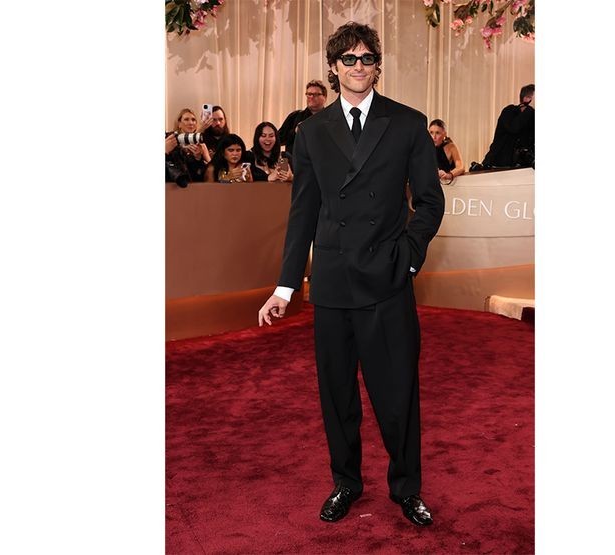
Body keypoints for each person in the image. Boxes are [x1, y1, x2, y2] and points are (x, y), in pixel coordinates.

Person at [257, 22, 444, 527]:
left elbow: (429, 202)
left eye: (367, 58)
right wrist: (286, 285)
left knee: (397, 392)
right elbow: (304, 212)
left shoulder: (407, 123)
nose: (358, 67)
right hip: (335, 285)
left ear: (378, 65)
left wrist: (407, 255)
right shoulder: (312, 132)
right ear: (334, 67)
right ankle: (346, 483)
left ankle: (407, 488)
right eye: (349, 59)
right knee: (337, 394)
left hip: (387, 279)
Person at [480, 84, 535, 169]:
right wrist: (529, 110)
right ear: (526, 98)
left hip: (522, 166)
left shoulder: (532, 117)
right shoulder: (509, 111)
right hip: (498, 165)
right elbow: (513, 128)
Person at [277, 80, 328, 153]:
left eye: (316, 94)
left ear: (325, 97)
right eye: (309, 94)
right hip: (296, 162)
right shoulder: (294, 117)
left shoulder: (332, 118)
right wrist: (295, 132)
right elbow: (278, 140)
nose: (311, 97)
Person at [173, 108, 212, 182]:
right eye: (186, 119)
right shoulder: (173, 141)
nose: (191, 123)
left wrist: (198, 158)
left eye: (193, 120)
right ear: (179, 124)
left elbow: (211, 168)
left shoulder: (201, 145)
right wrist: (200, 130)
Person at [428, 119, 465, 183]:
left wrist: (448, 175)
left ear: (444, 134)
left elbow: (461, 167)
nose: (434, 137)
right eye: (431, 133)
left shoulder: (450, 147)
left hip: (448, 185)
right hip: (430, 184)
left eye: (437, 133)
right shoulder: (425, 147)